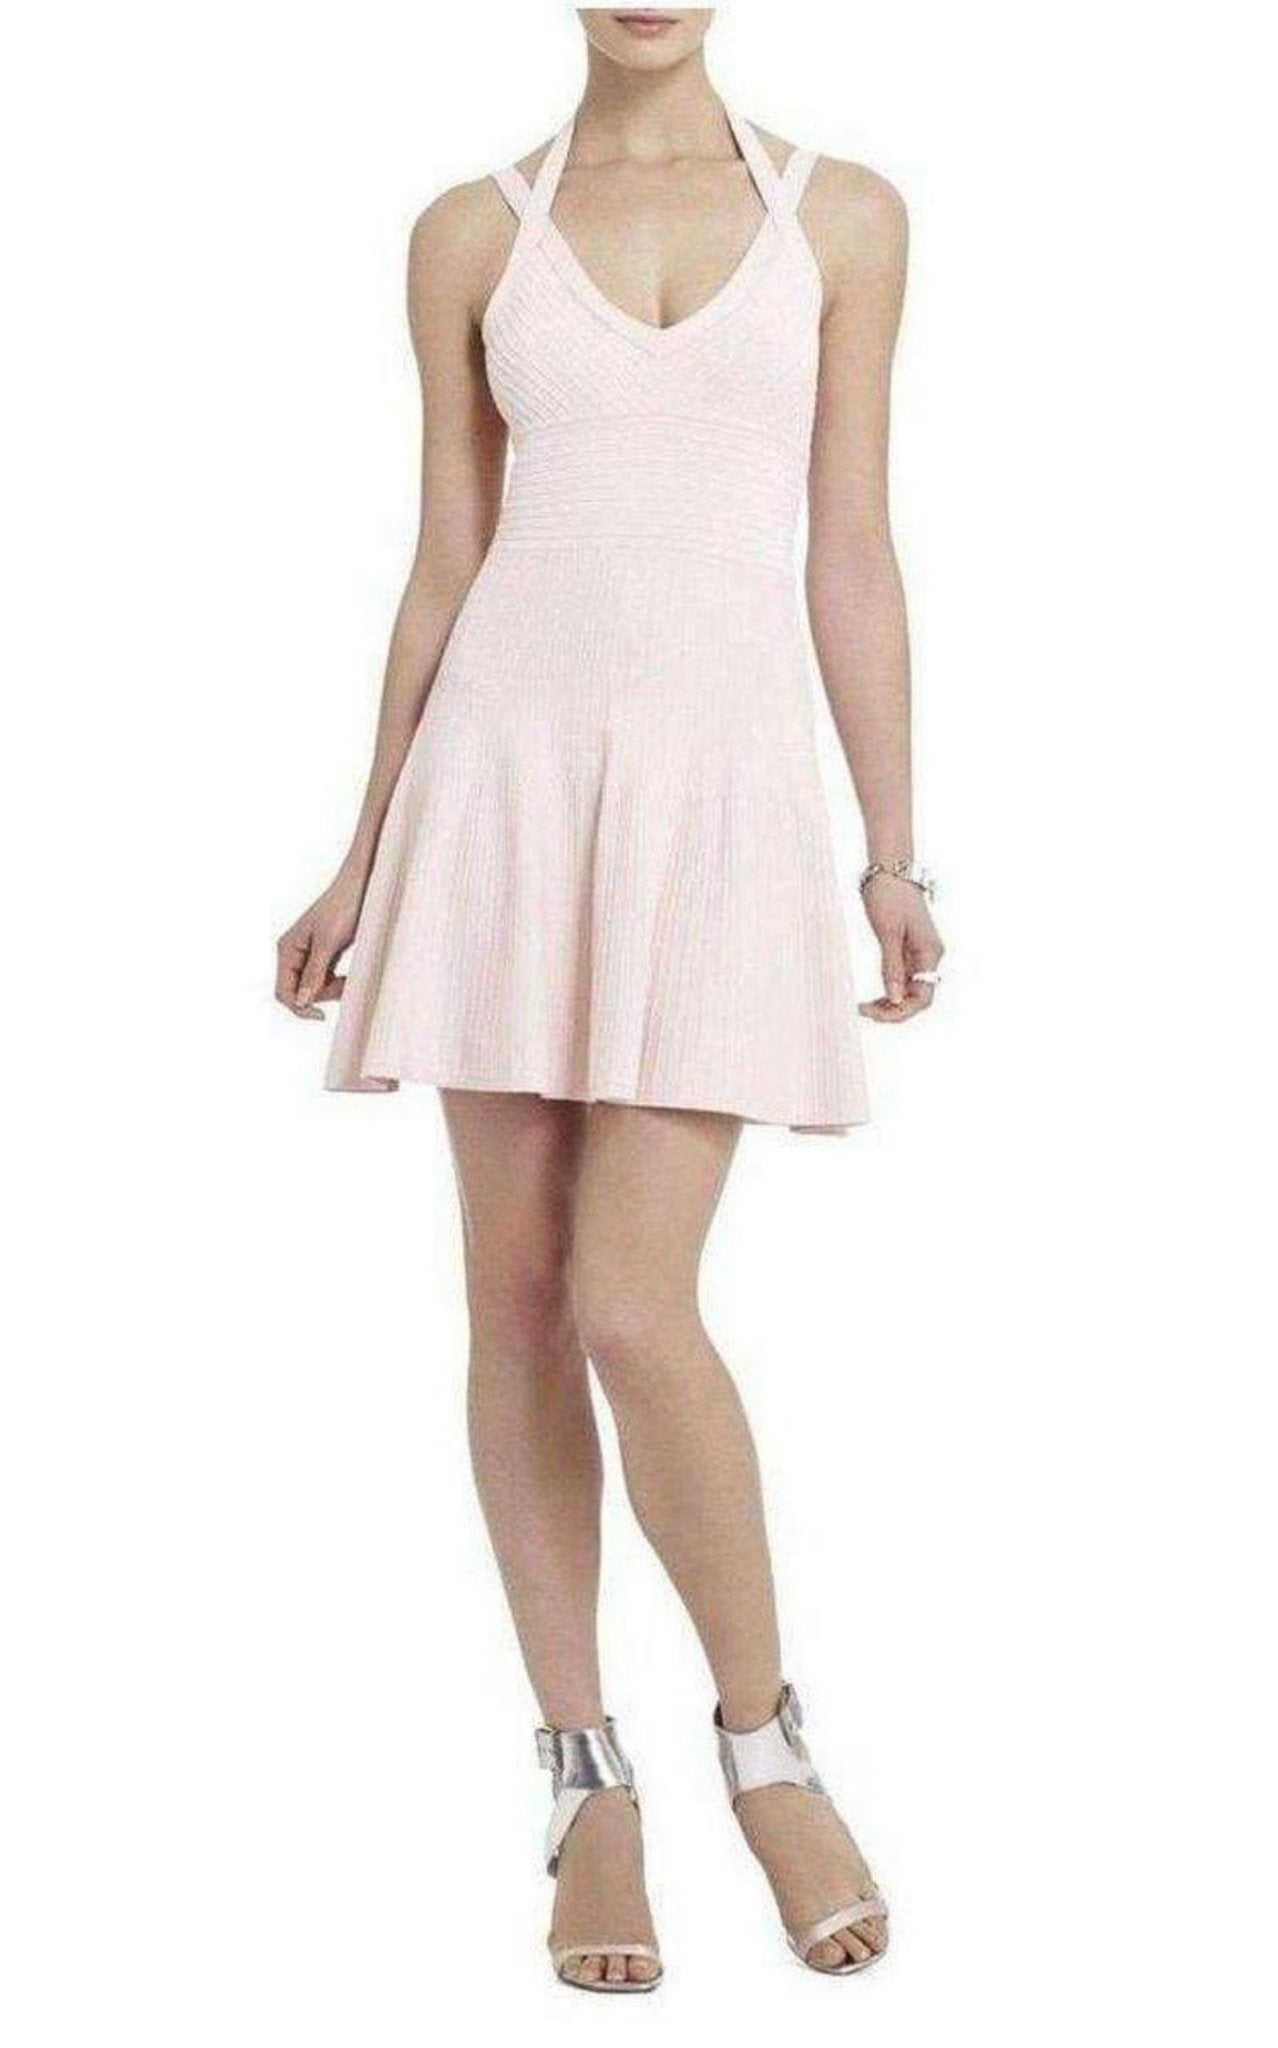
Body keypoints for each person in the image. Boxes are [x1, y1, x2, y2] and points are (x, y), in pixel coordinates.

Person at [277, 6, 942, 1992]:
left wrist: (892, 851)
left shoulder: (845, 215)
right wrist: (362, 848)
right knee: (513, 1302)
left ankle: (766, 1743)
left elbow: (850, 542)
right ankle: (584, 1779)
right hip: (500, 785)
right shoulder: (469, 231)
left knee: (633, 1307)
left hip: (714, 798)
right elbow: (447, 553)